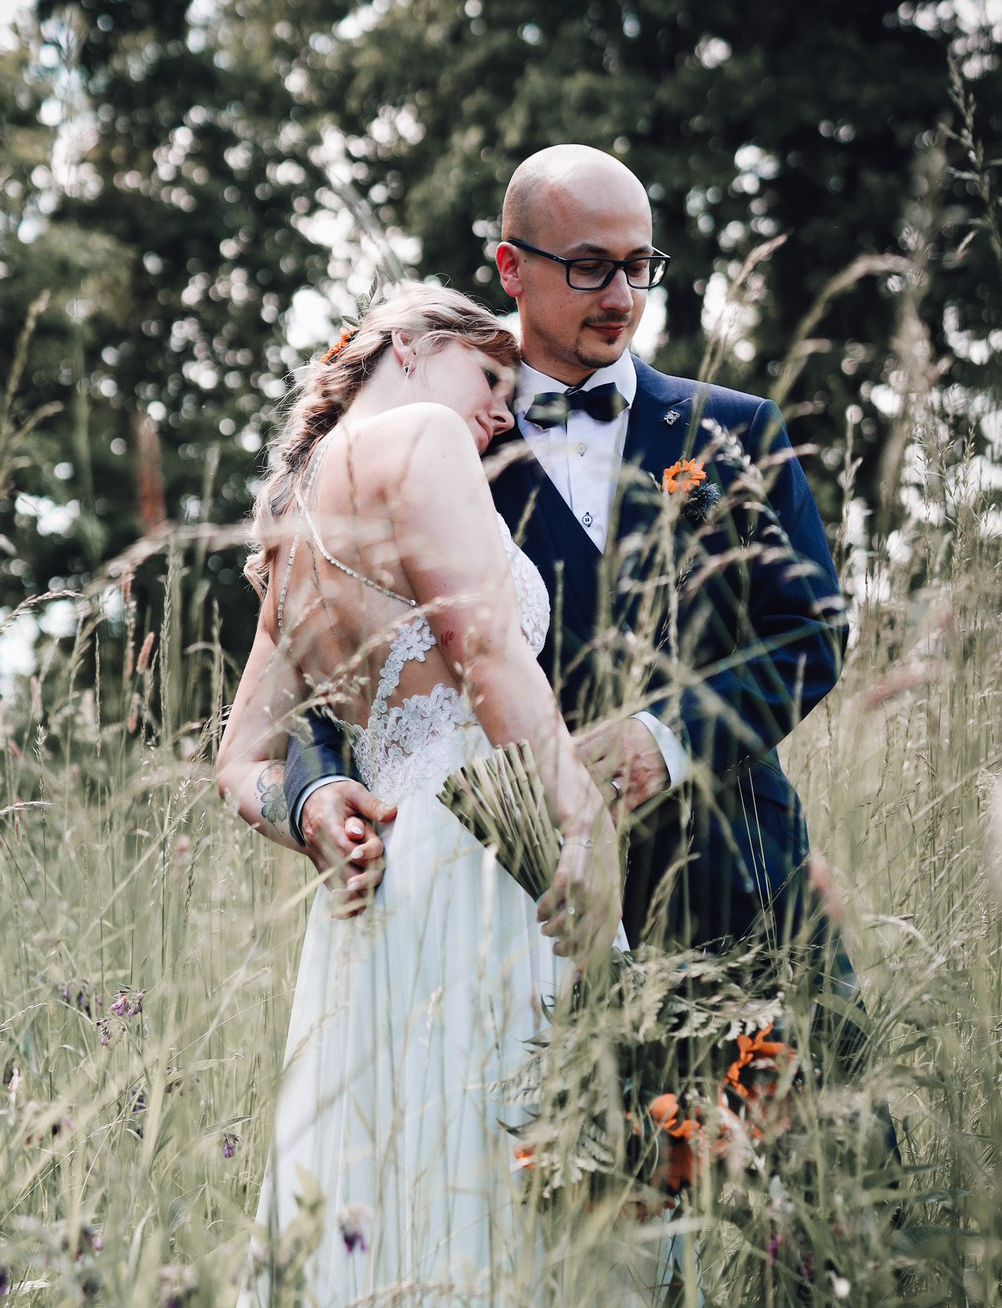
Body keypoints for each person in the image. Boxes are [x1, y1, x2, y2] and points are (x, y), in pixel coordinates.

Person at [285, 144, 866, 1069]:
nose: (622, 297)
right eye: (590, 266)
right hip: (519, 908)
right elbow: (329, 659)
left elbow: (810, 632)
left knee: (809, 1145)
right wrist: (313, 793)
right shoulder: (437, 443)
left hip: (736, 874)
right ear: (510, 267)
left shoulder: (734, 427)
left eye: (639, 266)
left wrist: (663, 739)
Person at [193, 284, 633, 1308]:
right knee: (514, 1167)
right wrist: (580, 821)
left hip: (377, 898)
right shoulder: (422, 436)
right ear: (414, 344)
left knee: (397, 1190)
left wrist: (311, 808)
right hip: (488, 859)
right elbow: (484, 645)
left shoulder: (293, 528)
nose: (501, 415)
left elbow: (239, 760)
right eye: (492, 379)